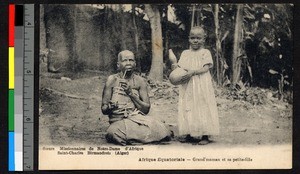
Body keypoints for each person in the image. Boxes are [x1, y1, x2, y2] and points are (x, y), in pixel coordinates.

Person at [101, 50, 172, 145]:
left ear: (135, 64)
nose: (128, 63)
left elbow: (146, 109)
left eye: (131, 60)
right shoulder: (112, 80)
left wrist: (130, 93)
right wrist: (110, 107)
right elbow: (104, 109)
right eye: (125, 60)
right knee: (113, 132)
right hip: (118, 121)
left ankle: (133, 138)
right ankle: (141, 137)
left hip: (136, 119)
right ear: (118, 64)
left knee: (160, 128)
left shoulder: (140, 81)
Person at [169, 26, 220, 145]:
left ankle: (205, 135)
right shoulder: (185, 53)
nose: (195, 40)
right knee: (188, 105)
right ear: (189, 39)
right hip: (188, 84)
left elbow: (206, 68)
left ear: (204, 39)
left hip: (201, 83)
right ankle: (189, 133)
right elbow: (181, 68)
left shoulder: (205, 53)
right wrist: (175, 68)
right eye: (192, 38)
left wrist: (193, 72)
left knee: (202, 106)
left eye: (198, 38)